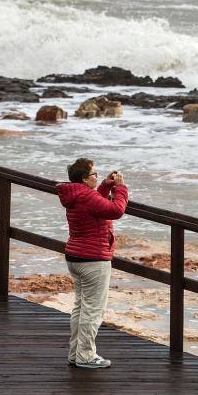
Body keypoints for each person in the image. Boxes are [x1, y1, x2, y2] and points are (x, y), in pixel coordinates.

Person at [57, 158, 128, 370]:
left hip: (76, 257)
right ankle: (86, 356)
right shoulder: (86, 196)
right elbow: (116, 210)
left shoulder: (76, 195)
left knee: (80, 308)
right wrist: (121, 187)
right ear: (84, 179)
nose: (97, 177)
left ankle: (75, 353)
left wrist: (106, 185)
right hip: (93, 260)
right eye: (94, 175)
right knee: (92, 311)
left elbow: (97, 203)